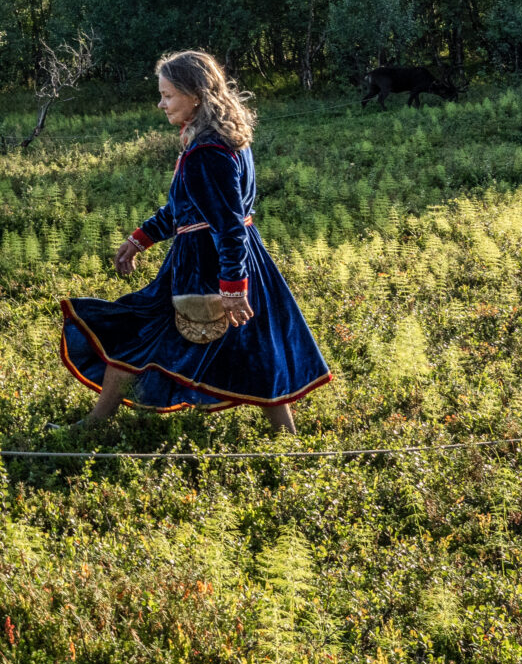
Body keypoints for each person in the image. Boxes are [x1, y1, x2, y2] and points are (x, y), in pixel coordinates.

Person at [58, 50, 331, 433]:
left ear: (196, 94)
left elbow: (227, 224)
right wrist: (141, 239)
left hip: (206, 265)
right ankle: (286, 436)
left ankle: (94, 424)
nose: (161, 103)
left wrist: (232, 288)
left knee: (137, 333)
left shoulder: (207, 152)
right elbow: (184, 208)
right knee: (256, 345)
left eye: (168, 94)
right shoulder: (225, 140)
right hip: (239, 259)